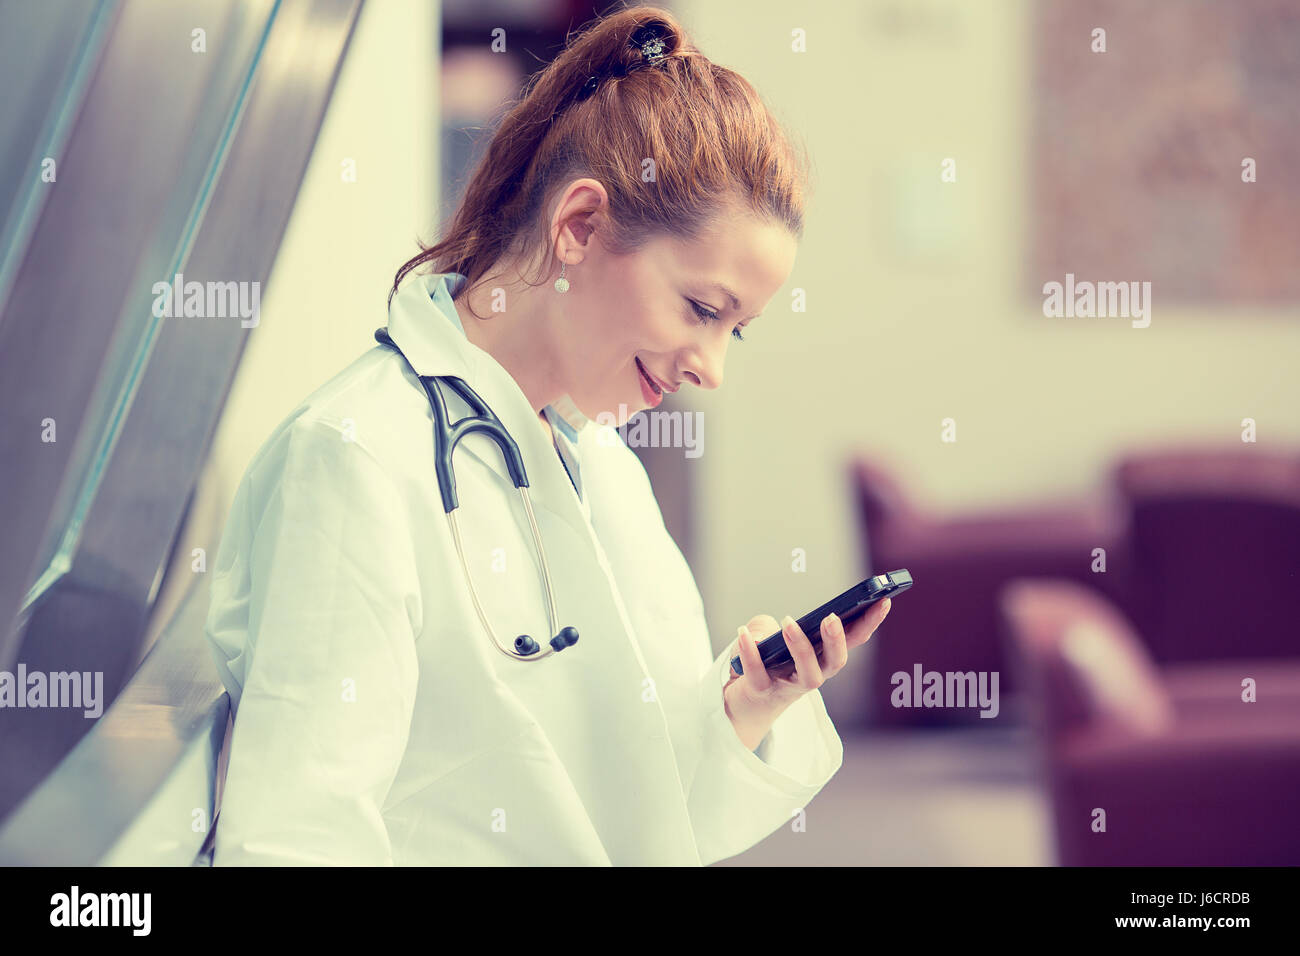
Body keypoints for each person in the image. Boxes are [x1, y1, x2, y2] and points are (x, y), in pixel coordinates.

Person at [204, 6, 892, 866]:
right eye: (702, 310)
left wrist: (745, 705)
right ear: (579, 226)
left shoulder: (595, 456)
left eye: (735, 329)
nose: (712, 368)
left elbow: (637, 805)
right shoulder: (354, 458)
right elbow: (296, 838)